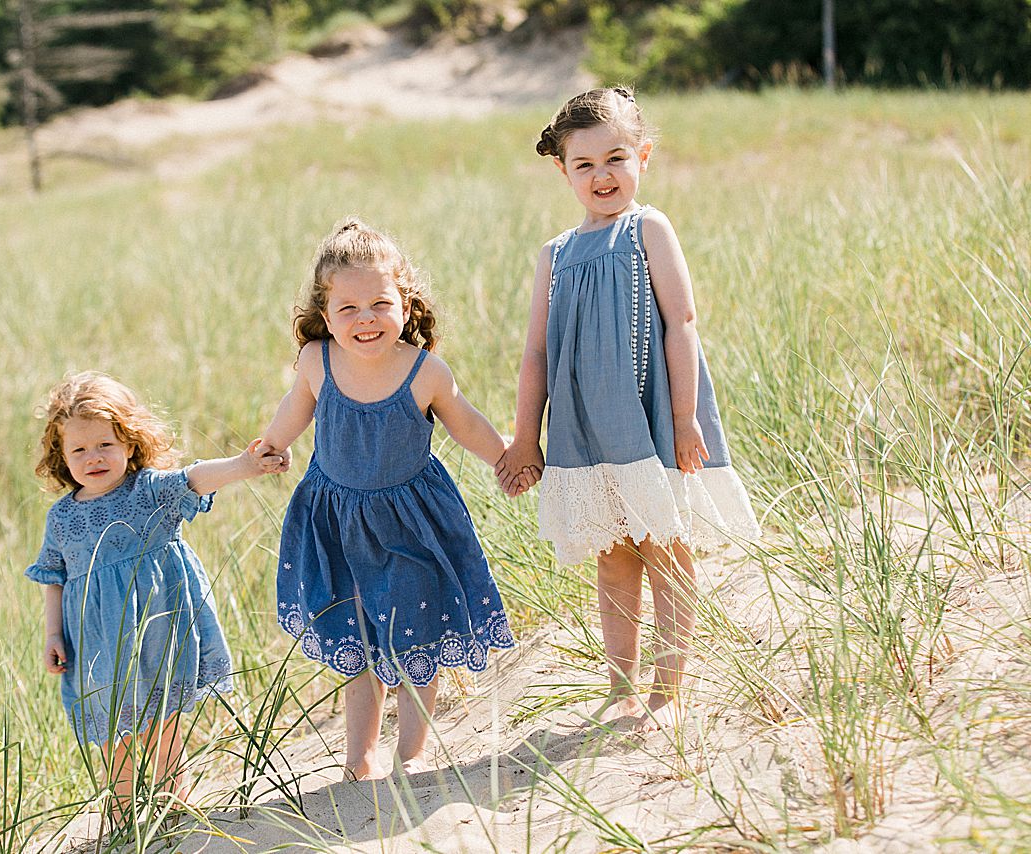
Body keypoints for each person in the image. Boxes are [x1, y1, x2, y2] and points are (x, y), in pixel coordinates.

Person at [495, 87, 761, 732]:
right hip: (585, 428)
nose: (601, 175)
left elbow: (682, 323)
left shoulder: (647, 228)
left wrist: (684, 416)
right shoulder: (554, 255)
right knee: (613, 555)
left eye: (616, 158)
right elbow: (536, 352)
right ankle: (621, 689)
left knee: (665, 547)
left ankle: (668, 692)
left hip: (652, 414)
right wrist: (526, 437)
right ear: (562, 169)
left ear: (642, 156)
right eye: (583, 164)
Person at [254, 218, 516, 781]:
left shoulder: (425, 373)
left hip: (411, 523)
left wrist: (504, 454)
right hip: (338, 522)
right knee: (358, 637)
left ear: (405, 304)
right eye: (347, 309)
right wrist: (273, 444)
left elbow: (465, 424)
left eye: (379, 302)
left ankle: (412, 751)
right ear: (326, 317)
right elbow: (293, 410)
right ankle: (359, 756)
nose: (365, 318)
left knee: (417, 631)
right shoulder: (317, 362)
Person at [25, 370, 282, 819]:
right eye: (79, 449)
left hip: (158, 626)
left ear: (130, 441)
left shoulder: (148, 490)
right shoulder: (62, 517)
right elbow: (54, 576)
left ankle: (175, 809)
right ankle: (125, 819)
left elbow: (196, 478)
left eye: (106, 444)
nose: (94, 458)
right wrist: (52, 635)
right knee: (113, 733)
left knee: (162, 724)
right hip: (97, 641)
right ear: (61, 456)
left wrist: (244, 464)